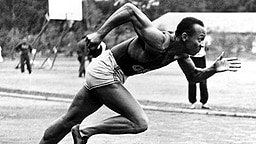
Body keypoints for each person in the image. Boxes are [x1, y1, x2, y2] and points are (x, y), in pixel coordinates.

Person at [38, 3, 241, 144]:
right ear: (185, 36)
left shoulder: (180, 55)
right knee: (139, 122)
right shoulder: (159, 40)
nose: (202, 43)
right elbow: (129, 9)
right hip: (106, 71)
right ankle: (84, 132)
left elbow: (194, 77)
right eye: (200, 38)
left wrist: (213, 69)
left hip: (109, 74)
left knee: (69, 119)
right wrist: (99, 35)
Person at [188, 40, 210, 109]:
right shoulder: (191, 34)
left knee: (203, 80)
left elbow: (207, 47)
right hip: (192, 57)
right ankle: (193, 102)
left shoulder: (204, 35)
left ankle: (204, 102)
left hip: (201, 58)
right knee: (192, 80)